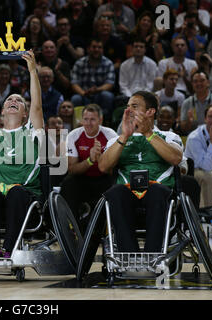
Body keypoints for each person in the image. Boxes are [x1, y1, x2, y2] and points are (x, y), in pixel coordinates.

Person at [0, 48, 44, 258]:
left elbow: (39, 108)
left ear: (25, 113)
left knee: (15, 192)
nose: (13, 101)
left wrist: (33, 71)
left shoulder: (32, 132)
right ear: (2, 111)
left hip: (23, 196)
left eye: (19, 101)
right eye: (9, 100)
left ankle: (10, 249)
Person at [98, 91, 183, 252]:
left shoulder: (169, 136)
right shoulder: (116, 140)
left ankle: (153, 253)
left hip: (157, 191)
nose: (128, 110)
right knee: (114, 192)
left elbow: (175, 158)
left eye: (134, 106)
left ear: (150, 112)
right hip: (127, 191)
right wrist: (124, 136)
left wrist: (148, 133)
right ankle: (129, 254)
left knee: (157, 191)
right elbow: (103, 166)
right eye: (127, 107)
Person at [60, 104, 117, 233]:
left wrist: (101, 158)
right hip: (83, 178)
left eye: (92, 119)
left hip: (104, 177)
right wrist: (90, 160)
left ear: (100, 120)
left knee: (116, 186)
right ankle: (72, 228)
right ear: (81, 120)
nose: (88, 123)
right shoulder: (74, 135)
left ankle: (106, 230)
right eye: (85, 119)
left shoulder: (110, 135)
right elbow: (72, 169)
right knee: (68, 183)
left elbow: (112, 169)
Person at [70, 38, 115, 121]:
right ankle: (79, 124)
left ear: (102, 49)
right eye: (94, 47)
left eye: (99, 47)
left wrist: (97, 89)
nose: (96, 50)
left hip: (100, 94)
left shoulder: (108, 63)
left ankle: (104, 122)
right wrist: (83, 93)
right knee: (75, 99)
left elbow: (110, 84)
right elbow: (74, 83)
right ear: (88, 49)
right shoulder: (79, 63)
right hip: (83, 95)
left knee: (107, 96)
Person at [184, 104, 212, 207]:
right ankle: (210, 213)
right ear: (205, 119)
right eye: (210, 117)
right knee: (209, 176)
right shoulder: (194, 138)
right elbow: (206, 167)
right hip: (192, 171)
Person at [180, 70, 212, 134]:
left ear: (208, 82)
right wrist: (189, 122)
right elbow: (183, 129)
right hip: (194, 138)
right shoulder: (186, 103)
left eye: (202, 80)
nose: (199, 84)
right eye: (195, 81)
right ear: (192, 84)